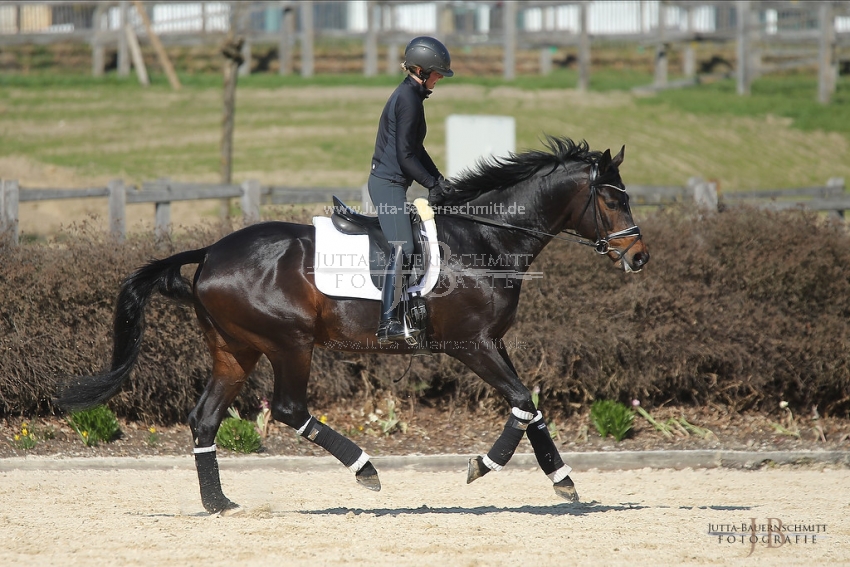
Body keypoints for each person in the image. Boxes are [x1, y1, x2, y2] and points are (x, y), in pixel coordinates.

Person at [368, 36, 454, 345]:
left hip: (395, 180)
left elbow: (417, 149)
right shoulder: (407, 99)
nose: (440, 79)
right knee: (402, 247)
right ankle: (388, 320)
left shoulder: (413, 96)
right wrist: (431, 184)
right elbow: (405, 158)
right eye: (437, 73)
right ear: (421, 70)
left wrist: (440, 180)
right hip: (387, 183)